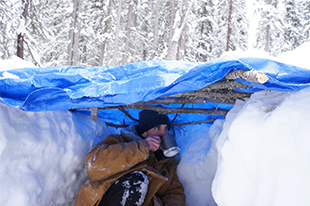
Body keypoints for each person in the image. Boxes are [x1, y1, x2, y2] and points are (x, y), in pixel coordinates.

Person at [74, 110, 186, 206]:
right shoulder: (121, 142)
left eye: (166, 128)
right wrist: (142, 147)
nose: (164, 133)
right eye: (157, 128)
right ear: (144, 133)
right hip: (107, 200)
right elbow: (93, 166)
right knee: (138, 180)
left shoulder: (166, 162)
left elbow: (174, 192)